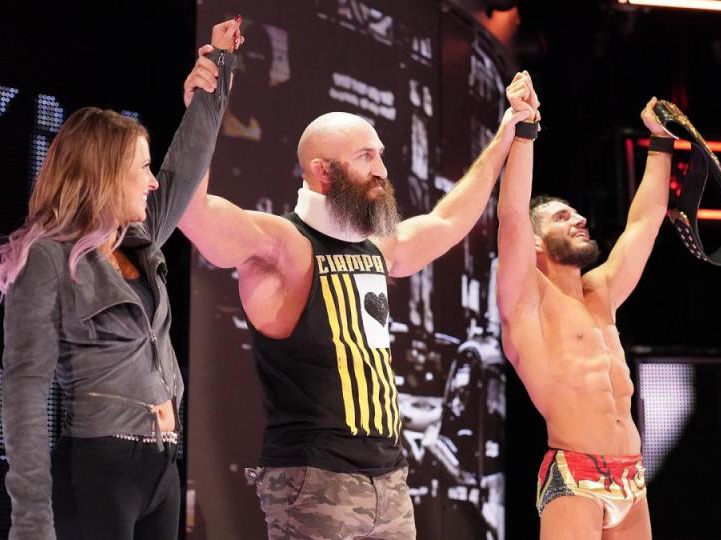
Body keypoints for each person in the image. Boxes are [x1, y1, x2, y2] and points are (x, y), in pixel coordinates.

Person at [177, 80, 533, 539]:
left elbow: (448, 220)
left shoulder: (378, 246)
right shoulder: (282, 244)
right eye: (367, 156)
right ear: (323, 171)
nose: (382, 169)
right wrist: (203, 110)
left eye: (380, 154)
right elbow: (193, 212)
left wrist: (507, 132)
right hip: (315, 476)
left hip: (389, 478)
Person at [0, 19, 242, 540]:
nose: (151, 182)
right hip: (98, 471)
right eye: (141, 169)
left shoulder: (138, 241)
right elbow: (24, 390)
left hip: (162, 469)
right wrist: (31, 517)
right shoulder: (47, 260)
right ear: (102, 174)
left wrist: (218, 67)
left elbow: (182, 170)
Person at [496, 71, 673, 539]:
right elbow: (511, 216)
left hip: (632, 477)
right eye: (561, 216)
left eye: (576, 213)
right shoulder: (526, 298)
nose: (579, 219)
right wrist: (526, 129)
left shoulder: (601, 293)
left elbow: (646, 221)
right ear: (535, 240)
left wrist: (661, 143)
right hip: (575, 475)